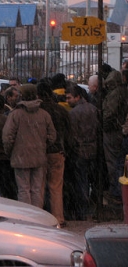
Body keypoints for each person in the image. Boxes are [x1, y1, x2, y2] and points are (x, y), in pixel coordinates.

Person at [2, 83, 56, 208]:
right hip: (39, 156)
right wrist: (42, 145)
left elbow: (7, 137)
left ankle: (27, 216)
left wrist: (11, 151)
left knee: (23, 189)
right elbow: (52, 136)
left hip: (20, 157)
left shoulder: (15, 114)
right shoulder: (44, 114)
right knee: (37, 189)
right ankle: (38, 215)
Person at [37, 81, 72, 227]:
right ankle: (59, 218)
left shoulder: (38, 111)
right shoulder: (61, 110)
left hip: (40, 152)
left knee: (39, 186)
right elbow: (69, 131)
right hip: (58, 151)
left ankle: (38, 218)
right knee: (56, 187)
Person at [66, 84, 99, 220]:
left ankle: (82, 211)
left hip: (80, 151)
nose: (67, 101)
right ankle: (92, 209)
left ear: (78, 97)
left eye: (69, 98)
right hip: (93, 149)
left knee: (81, 182)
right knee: (92, 181)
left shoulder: (73, 113)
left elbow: (72, 135)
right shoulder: (93, 109)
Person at [102, 69, 128, 204]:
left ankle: (116, 192)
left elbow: (109, 113)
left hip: (112, 131)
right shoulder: (122, 92)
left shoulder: (115, 94)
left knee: (113, 162)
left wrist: (104, 125)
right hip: (118, 130)